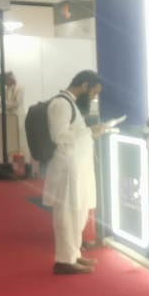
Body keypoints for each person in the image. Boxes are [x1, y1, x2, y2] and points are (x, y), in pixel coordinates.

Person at [43, 70, 104, 274]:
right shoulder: (61, 104)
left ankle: (74, 254)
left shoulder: (70, 103)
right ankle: (64, 260)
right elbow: (58, 135)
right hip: (68, 168)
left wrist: (90, 133)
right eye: (94, 93)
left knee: (79, 213)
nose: (93, 98)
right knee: (68, 215)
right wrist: (89, 131)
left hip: (77, 166)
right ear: (85, 86)